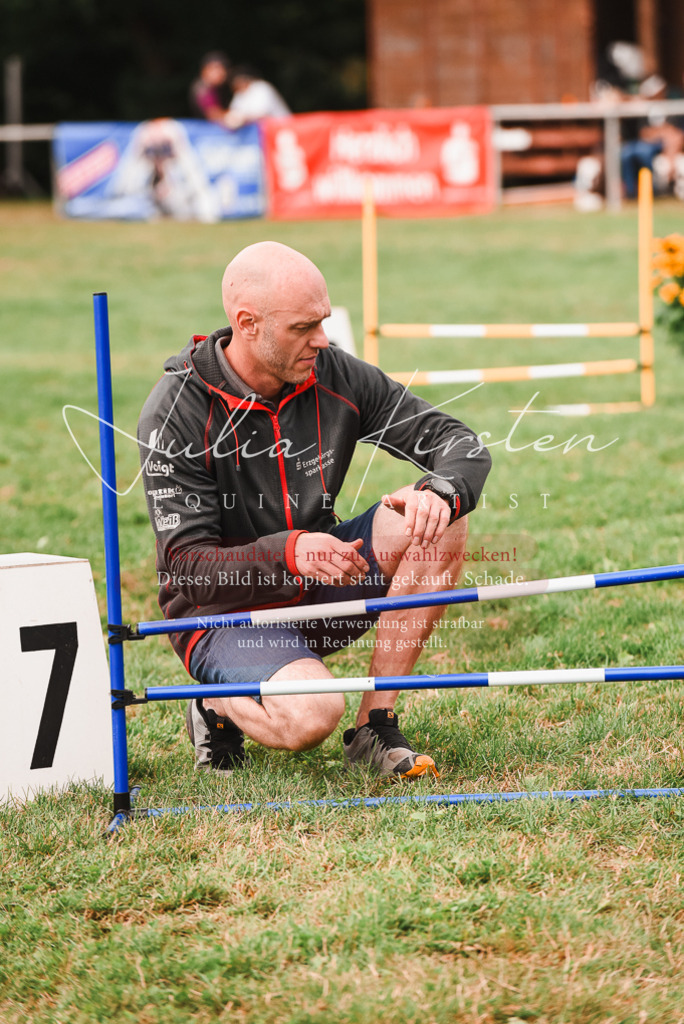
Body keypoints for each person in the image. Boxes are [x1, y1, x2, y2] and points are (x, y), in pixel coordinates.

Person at [137, 242, 491, 779]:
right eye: (303, 327)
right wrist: (292, 551)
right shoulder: (175, 413)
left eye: (322, 322)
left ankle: (376, 725)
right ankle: (215, 701)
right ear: (247, 323)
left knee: (444, 520)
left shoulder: (333, 372)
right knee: (311, 715)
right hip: (223, 617)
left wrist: (439, 492)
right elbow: (187, 569)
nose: (321, 340)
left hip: (324, 583)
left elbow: (456, 440)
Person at [224, 65, 291, 129]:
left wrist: (240, 119)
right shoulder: (239, 94)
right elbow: (233, 113)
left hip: (282, 128)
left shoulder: (262, 87)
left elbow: (262, 114)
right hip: (262, 133)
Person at [189, 51, 232, 124]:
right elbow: (213, 114)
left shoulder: (220, 87)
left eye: (222, 69)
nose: (221, 73)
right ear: (205, 70)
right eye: (216, 68)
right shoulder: (202, 88)